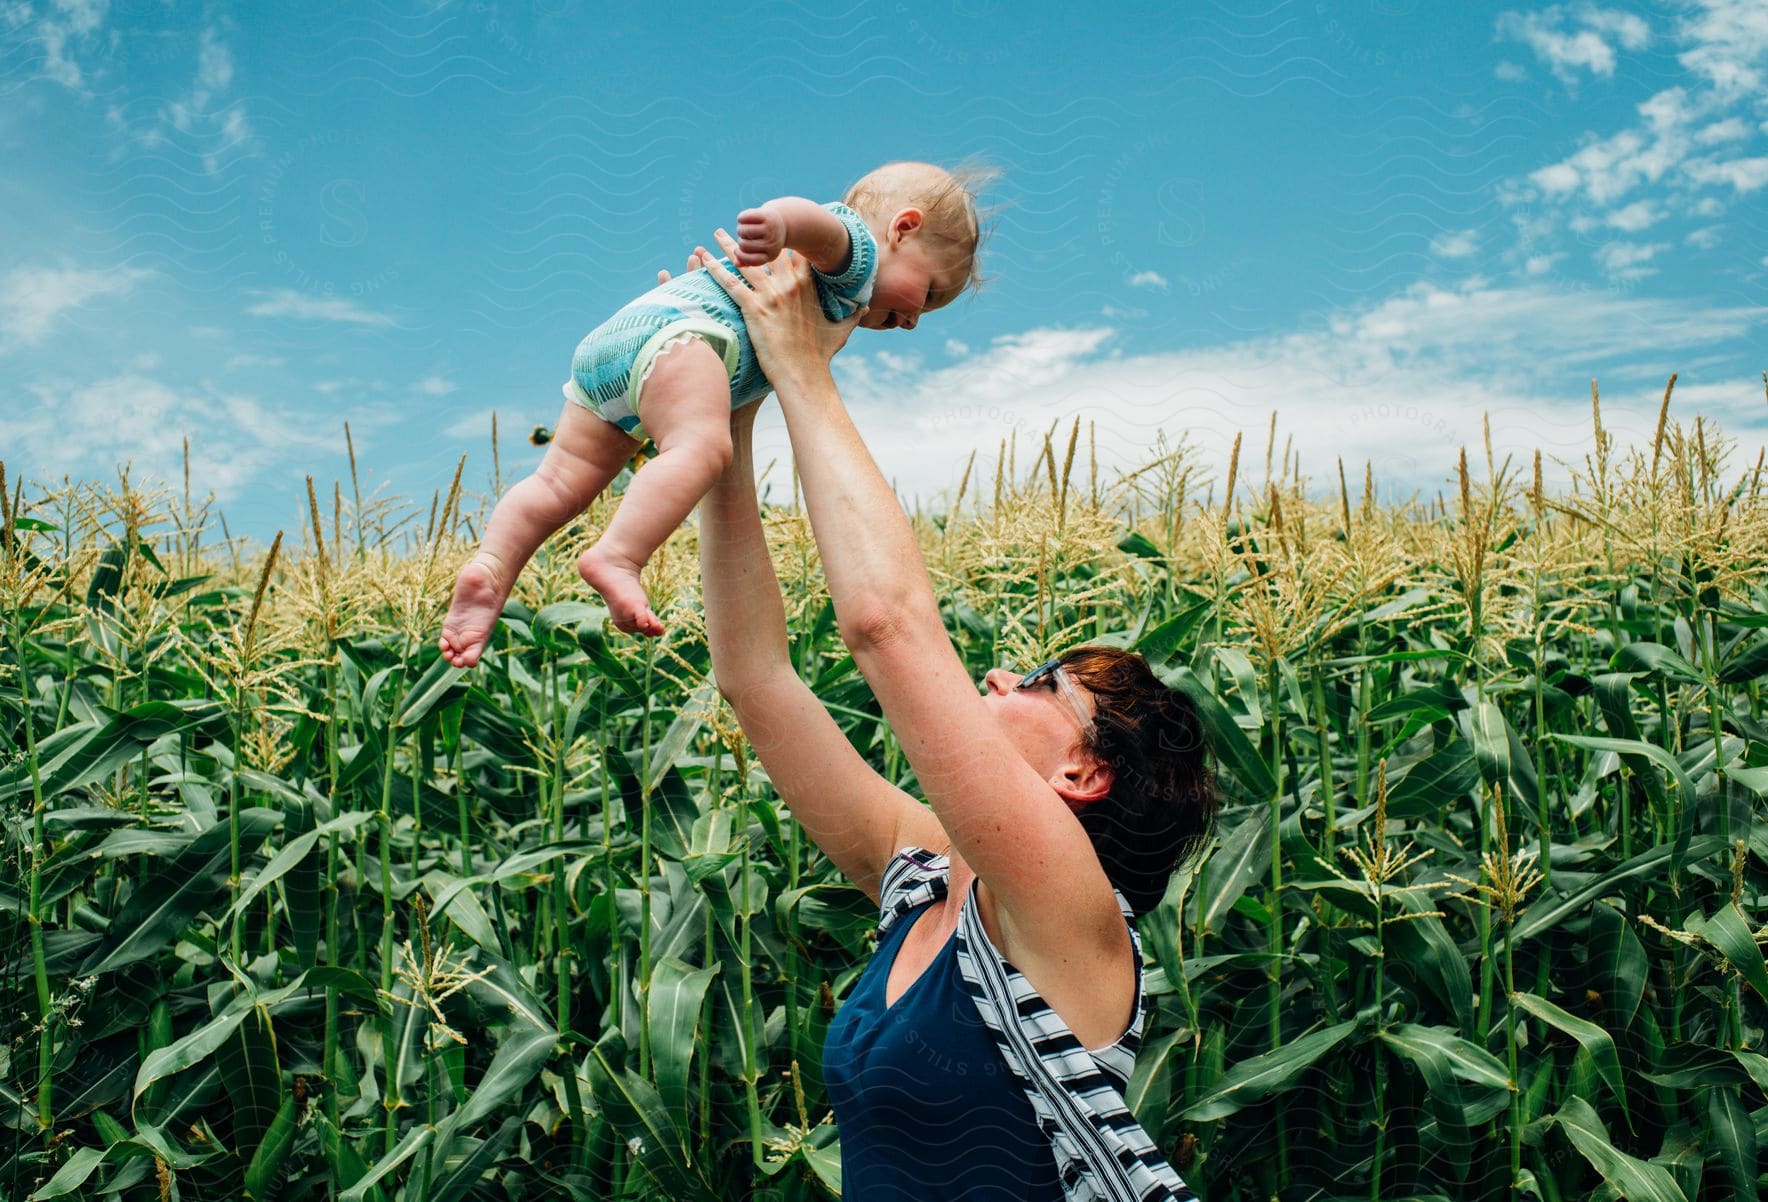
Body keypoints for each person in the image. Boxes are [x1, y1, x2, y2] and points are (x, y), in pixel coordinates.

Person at [685, 229, 1218, 1200]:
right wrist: (729, 414)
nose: (1007, 670)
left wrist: (805, 367)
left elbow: (888, 625)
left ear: (1082, 775)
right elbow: (755, 676)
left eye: (1047, 680)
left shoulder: (1069, 911)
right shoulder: (922, 882)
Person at [437, 160, 990, 666]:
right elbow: (822, 223)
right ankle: (619, 557)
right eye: (932, 292)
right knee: (701, 450)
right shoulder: (856, 261)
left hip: (615, 349)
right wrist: (780, 224)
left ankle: (491, 567)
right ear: (903, 228)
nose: (917, 320)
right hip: (680, 339)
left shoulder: (835, 286)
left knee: (559, 481)